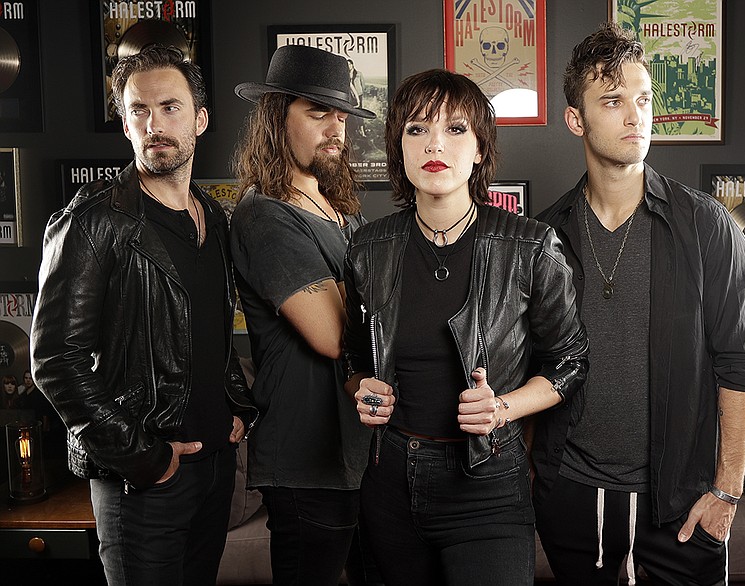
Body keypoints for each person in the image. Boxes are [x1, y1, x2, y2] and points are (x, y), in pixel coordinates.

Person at [534, 23, 745, 585]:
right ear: (575, 120)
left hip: (682, 507)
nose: (635, 115)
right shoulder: (545, 237)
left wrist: (726, 493)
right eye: (612, 101)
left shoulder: (706, 225)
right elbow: (528, 365)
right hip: (572, 497)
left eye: (643, 99)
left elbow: (740, 366)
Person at [342, 68, 589, 586]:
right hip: (389, 481)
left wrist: (501, 408)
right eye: (416, 128)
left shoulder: (530, 245)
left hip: (487, 483)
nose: (435, 143)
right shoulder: (368, 247)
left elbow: (570, 363)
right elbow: (353, 359)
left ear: (480, 150)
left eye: (455, 129)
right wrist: (363, 388)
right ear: (399, 147)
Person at [30, 45, 257, 586]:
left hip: (213, 470)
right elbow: (54, 360)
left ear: (200, 119)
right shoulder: (93, 221)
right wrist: (144, 458)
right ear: (125, 122)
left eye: (170, 107)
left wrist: (237, 406)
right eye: (138, 110)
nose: (153, 124)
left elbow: (211, 332)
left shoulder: (215, 219)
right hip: (143, 481)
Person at [230, 44, 378, 586]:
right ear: (276, 118)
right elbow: (333, 334)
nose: (335, 130)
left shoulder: (342, 212)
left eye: (340, 116)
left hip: (361, 455)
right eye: (318, 114)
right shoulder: (264, 214)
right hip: (304, 460)